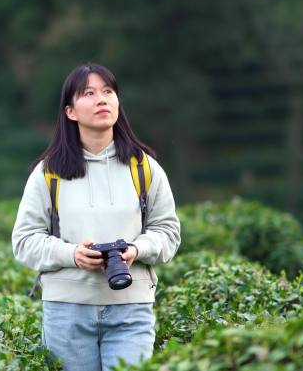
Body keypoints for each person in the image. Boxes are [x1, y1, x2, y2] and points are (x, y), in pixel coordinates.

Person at [12, 63, 181, 371]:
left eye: (108, 91)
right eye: (88, 93)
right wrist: (72, 254)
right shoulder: (49, 173)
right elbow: (24, 241)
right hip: (67, 312)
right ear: (70, 112)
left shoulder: (144, 168)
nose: (102, 99)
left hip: (130, 308)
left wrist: (136, 250)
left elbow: (168, 231)